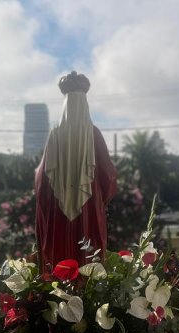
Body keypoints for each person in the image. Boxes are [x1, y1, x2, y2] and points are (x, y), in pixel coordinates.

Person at [35, 71, 117, 272]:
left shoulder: (55, 134)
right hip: (89, 207)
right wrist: (100, 199)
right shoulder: (93, 134)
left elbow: (41, 180)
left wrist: (52, 198)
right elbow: (109, 176)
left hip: (57, 212)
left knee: (59, 265)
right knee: (90, 264)